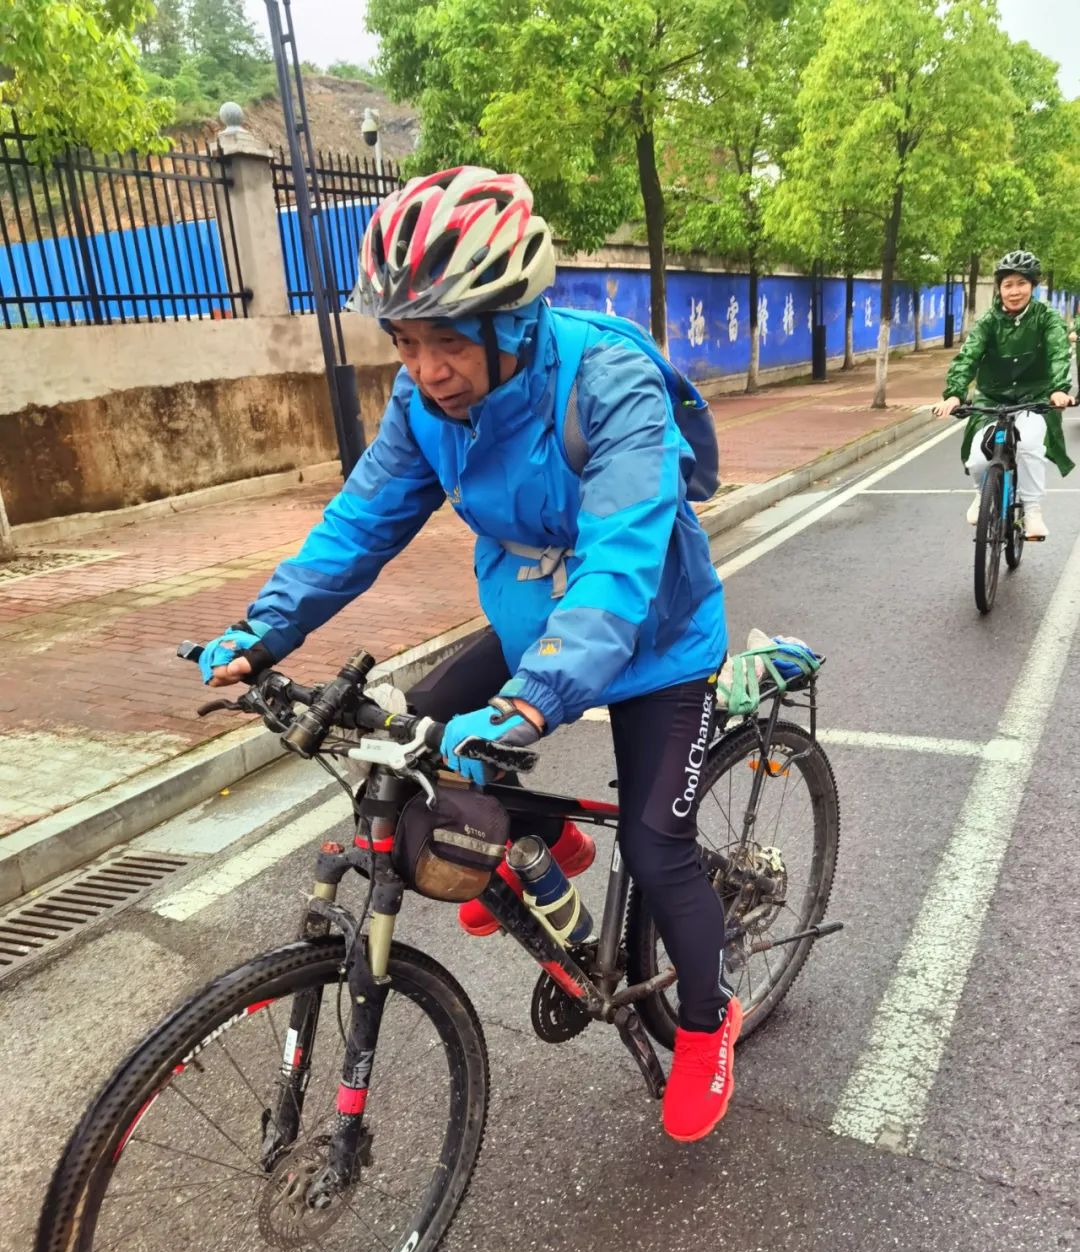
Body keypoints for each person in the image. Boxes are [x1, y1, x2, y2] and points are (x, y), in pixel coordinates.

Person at [196, 167, 740, 1144]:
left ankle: (707, 1023)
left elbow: (620, 561)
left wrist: (533, 701)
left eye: (448, 339)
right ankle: (551, 845)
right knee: (417, 745)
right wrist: (264, 628)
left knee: (660, 849)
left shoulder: (609, 380)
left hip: (657, 635)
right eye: (405, 341)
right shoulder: (422, 404)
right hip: (536, 626)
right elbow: (361, 520)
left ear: (514, 320)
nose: (426, 368)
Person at [934, 250, 1073, 540]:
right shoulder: (988, 321)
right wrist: (954, 394)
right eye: (1008, 284)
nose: (1014, 291)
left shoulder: (1047, 318)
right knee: (977, 460)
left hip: (1035, 398)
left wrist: (1059, 389)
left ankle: (1032, 511)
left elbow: (1059, 353)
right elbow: (967, 357)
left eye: (1021, 283)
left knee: (1030, 444)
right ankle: (981, 494)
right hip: (992, 399)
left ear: (1033, 286)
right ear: (999, 288)